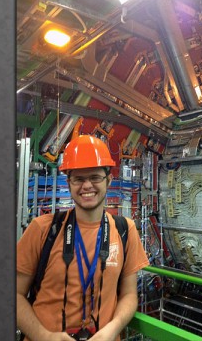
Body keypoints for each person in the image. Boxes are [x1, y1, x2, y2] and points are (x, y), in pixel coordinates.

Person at [17, 135, 150, 341]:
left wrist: (112, 329)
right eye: (78, 178)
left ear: (109, 180)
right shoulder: (43, 229)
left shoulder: (125, 230)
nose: (87, 185)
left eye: (95, 177)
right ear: (69, 183)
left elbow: (129, 295)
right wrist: (44, 336)